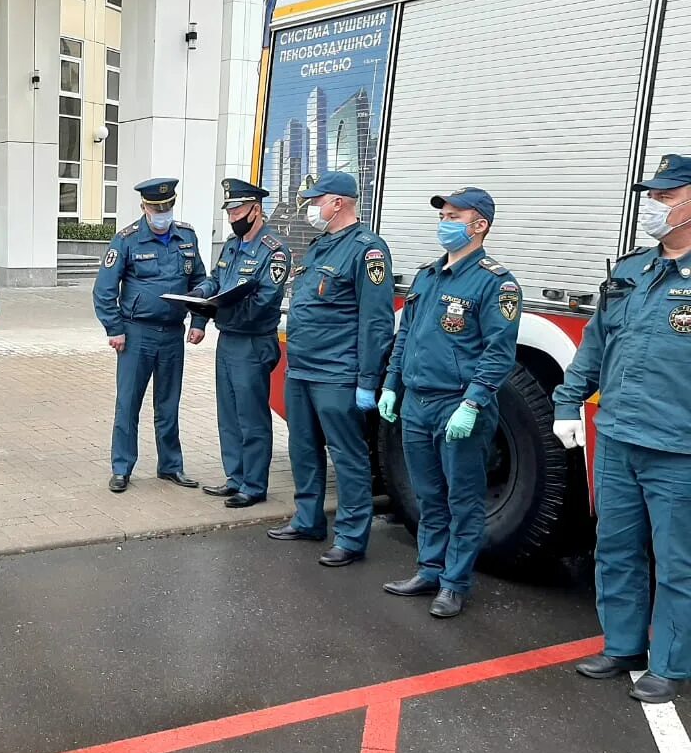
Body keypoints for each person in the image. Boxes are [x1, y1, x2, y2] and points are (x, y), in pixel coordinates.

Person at [553, 153, 691, 704]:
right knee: (615, 547)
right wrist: (567, 400)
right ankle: (624, 645)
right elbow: (596, 343)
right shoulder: (631, 270)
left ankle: (671, 663)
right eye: (652, 196)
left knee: (677, 560)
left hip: (677, 445)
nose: (654, 206)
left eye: (665, 196)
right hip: (617, 435)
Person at [378, 189, 520, 618]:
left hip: (458, 406)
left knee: (464, 498)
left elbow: (499, 352)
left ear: (479, 225)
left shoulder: (497, 283)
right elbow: (407, 336)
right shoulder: (428, 275)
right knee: (428, 494)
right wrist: (390, 384)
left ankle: (455, 583)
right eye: (443, 214)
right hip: (418, 404)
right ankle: (429, 569)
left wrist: (474, 403)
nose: (445, 222)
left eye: (454, 215)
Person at [267, 171, 394, 566]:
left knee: (347, 454)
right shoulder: (320, 247)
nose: (310, 209)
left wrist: (368, 380)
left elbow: (376, 321)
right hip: (302, 368)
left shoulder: (367, 250)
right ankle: (308, 519)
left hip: (337, 372)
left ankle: (352, 536)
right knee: (303, 448)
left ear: (338, 202)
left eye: (315, 201)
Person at [93, 177, 208, 493]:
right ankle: (121, 468)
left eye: (167, 207)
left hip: (173, 334)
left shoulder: (187, 237)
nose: (162, 213)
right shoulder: (126, 240)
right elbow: (104, 290)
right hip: (136, 334)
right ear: (143, 207)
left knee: (168, 404)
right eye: (156, 208)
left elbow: (200, 282)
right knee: (128, 404)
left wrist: (199, 321)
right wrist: (114, 329)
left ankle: (170, 466)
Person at [196, 178, 291, 509]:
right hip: (228, 339)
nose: (233, 217)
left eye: (237, 210)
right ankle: (235, 478)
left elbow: (266, 298)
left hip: (252, 342)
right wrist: (201, 296)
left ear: (256, 209)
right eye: (230, 211)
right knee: (229, 414)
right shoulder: (231, 246)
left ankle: (254, 485)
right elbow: (216, 279)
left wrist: (225, 308)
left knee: (251, 417)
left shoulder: (274, 252)